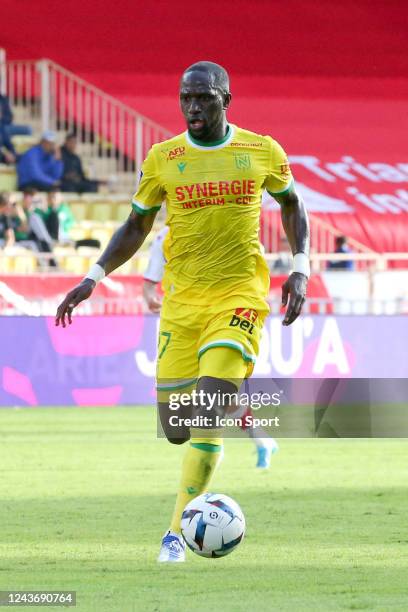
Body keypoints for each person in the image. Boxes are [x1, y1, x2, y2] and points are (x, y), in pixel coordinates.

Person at [55, 61, 310, 563]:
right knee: (177, 428)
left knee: (208, 410)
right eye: (185, 98)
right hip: (181, 306)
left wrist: (299, 268)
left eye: (204, 98)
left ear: (226, 100)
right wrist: (93, 277)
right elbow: (135, 225)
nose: (193, 107)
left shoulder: (261, 151)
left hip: (239, 296)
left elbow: (293, 205)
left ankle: (175, 532)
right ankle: (246, 418)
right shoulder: (164, 158)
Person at [143, 226, 278, 468]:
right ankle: (259, 440)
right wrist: (151, 296)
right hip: (184, 324)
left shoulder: (230, 223)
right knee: (213, 395)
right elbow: (149, 283)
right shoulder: (164, 238)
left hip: (225, 318)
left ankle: (217, 445)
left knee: (212, 390)